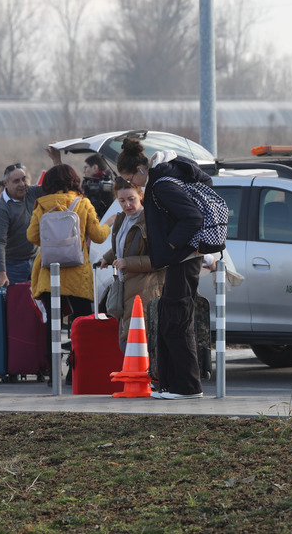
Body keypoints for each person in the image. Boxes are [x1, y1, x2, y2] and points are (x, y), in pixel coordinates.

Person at [116, 138, 211, 400]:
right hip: (181, 258)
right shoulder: (163, 178)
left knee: (176, 321)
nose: (133, 185)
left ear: (140, 170)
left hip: (182, 258)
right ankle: (171, 385)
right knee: (171, 318)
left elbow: (193, 217)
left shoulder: (161, 184)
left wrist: (170, 243)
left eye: (131, 180)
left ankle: (188, 387)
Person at [27, 163, 112, 380]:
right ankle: (76, 371)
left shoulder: (42, 205)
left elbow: (32, 236)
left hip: (49, 273)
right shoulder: (83, 204)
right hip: (77, 273)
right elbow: (99, 236)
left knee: (52, 324)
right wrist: (109, 223)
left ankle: (54, 371)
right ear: (74, 181)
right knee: (80, 322)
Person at [98, 178, 165, 358]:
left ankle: (150, 383)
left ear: (141, 196)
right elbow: (124, 246)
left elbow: (161, 259)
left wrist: (129, 262)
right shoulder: (121, 219)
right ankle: (142, 381)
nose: (127, 204)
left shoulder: (151, 221)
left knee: (141, 342)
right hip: (127, 286)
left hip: (146, 288)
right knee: (129, 342)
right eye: (122, 200)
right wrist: (108, 257)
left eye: (131, 199)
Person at [0, 162, 45, 287]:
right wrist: (2, 273)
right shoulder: (1, 208)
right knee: (14, 305)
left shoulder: (30, 192)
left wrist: (56, 160)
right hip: (12, 267)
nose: (21, 184)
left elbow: (56, 186)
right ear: (5, 184)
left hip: (36, 262)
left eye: (23, 179)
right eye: (16, 181)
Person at [82, 153, 114, 221]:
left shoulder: (108, 185)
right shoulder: (89, 183)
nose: (83, 171)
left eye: (86, 167)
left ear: (95, 167)